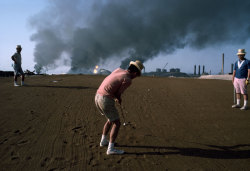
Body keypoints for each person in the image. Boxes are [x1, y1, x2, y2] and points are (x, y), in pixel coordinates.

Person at [95, 60, 144, 155]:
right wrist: (118, 98)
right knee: (116, 123)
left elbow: (112, 86)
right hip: (105, 99)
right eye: (137, 75)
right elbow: (117, 93)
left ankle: (103, 141)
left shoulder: (118, 70)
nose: (136, 77)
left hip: (97, 96)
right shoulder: (128, 80)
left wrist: (116, 97)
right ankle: (110, 149)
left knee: (110, 119)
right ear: (135, 73)